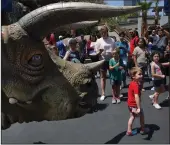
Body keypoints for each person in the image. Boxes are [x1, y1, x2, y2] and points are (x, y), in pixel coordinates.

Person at [95, 25, 116, 101]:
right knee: (103, 77)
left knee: (113, 77)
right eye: (101, 32)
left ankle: (114, 93)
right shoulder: (98, 41)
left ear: (107, 32)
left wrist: (113, 52)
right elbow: (96, 53)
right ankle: (103, 93)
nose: (103, 33)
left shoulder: (112, 40)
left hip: (111, 61)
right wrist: (99, 52)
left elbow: (115, 50)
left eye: (104, 32)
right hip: (103, 61)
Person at [127, 67, 149, 136]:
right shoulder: (135, 85)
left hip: (130, 104)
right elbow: (136, 96)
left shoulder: (133, 83)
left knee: (132, 117)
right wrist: (138, 107)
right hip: (134, 105)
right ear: (133, 76)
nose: (141, 75)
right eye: (139, 74)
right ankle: (142, 129)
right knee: (141, 115)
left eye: (141, 74)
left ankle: (129, 131)